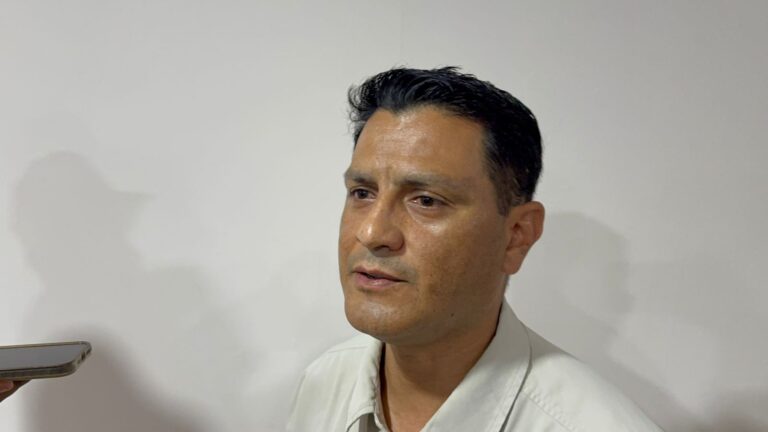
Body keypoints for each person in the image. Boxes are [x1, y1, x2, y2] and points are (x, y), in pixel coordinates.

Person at [286, 67, 663, 431]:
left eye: (426, 200)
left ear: (517, 235)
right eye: (362, 193)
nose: (371, 232)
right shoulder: (325, 382)